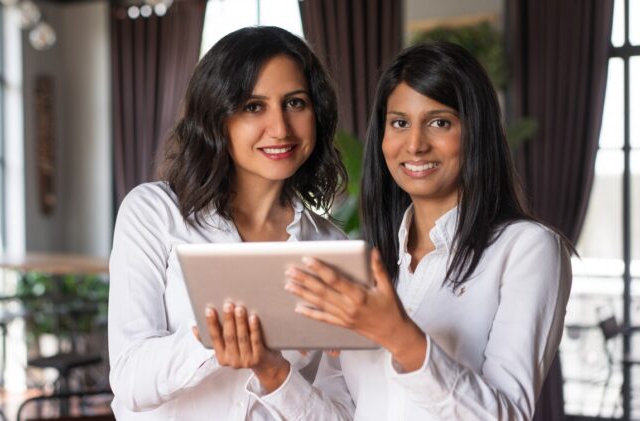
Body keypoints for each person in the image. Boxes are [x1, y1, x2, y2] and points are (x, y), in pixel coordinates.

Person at [244, 42, 573, 420]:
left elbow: (507, 415)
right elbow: (342, 414)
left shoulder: (527, 249)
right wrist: (270, 370)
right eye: (399, 123)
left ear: (476, 132)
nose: (415, 145)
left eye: (440, 122)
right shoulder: (364, 266)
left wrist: (398, 336)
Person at [108, 26, 347, 420]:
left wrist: (275, 372)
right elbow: (130, 381)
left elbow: (339, 414)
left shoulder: (331, 249)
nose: (281, 128)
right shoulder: (153, 213)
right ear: (217, 116)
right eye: (254, 106)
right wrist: (213, 338)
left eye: (295, 102)